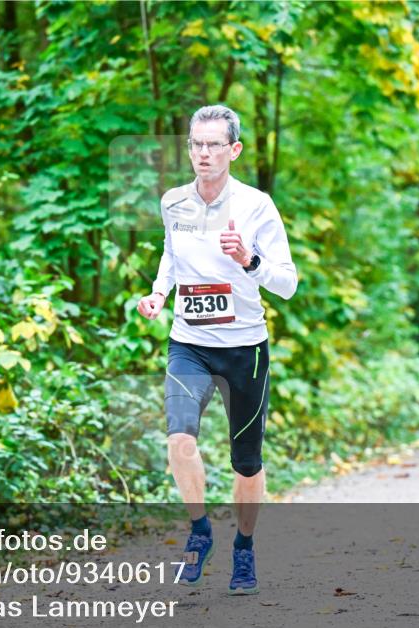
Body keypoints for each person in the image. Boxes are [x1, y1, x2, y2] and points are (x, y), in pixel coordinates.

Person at [135, 105, 297, 595]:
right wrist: (160, 292)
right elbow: (170, 252)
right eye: (195, 144)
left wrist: (249, 260)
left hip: (245, 348)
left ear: (234, 150)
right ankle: (200, 530)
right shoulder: (173, 202)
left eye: (213, 145)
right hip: (190, 343)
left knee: (246, 462)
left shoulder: (256, 206)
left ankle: (243, 550)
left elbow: (287, 284)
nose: (203, 153)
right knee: (179, 441)